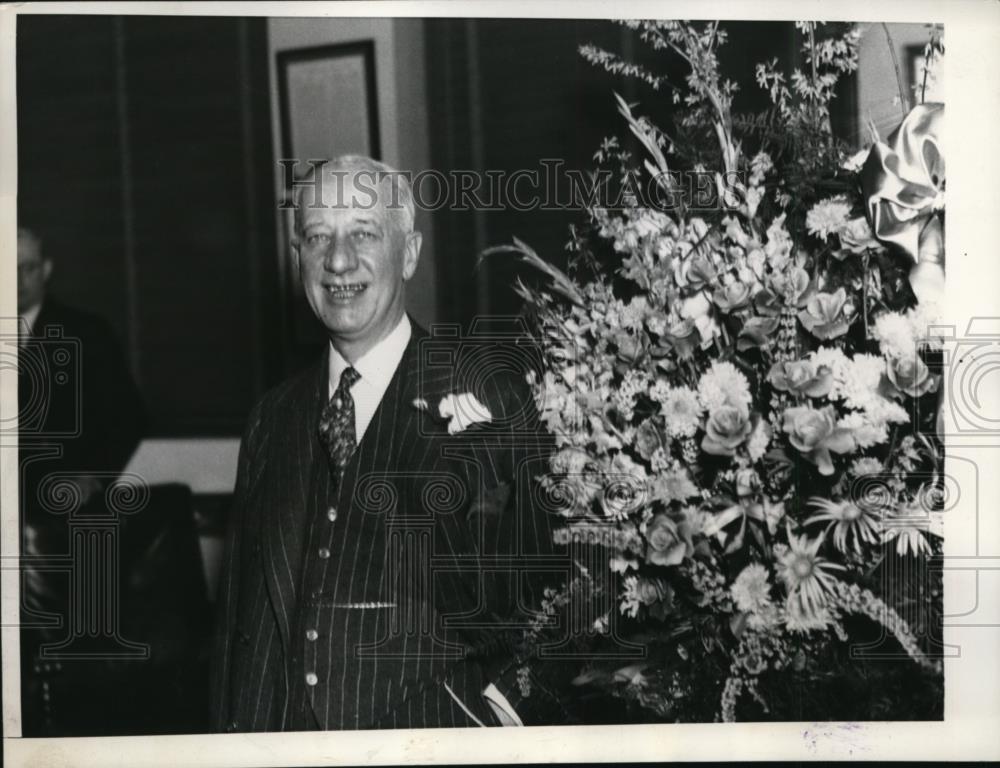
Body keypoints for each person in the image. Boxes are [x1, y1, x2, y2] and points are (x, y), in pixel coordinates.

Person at [210, 156, 569, 731]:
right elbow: (238, 633)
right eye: (317, 236)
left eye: (363, 233)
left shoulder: (489, 400)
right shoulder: (270, 420)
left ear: (409, 254)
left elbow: (564, 594)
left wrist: (501, 723)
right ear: (297, 257)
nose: (338, 260)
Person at [17, 225, 146, 734]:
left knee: (73, 670)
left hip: (64, 526)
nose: (17, 281)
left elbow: (129, 416)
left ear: (47, 270)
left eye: (27, 268)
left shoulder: (86, 332)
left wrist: (95, 475)